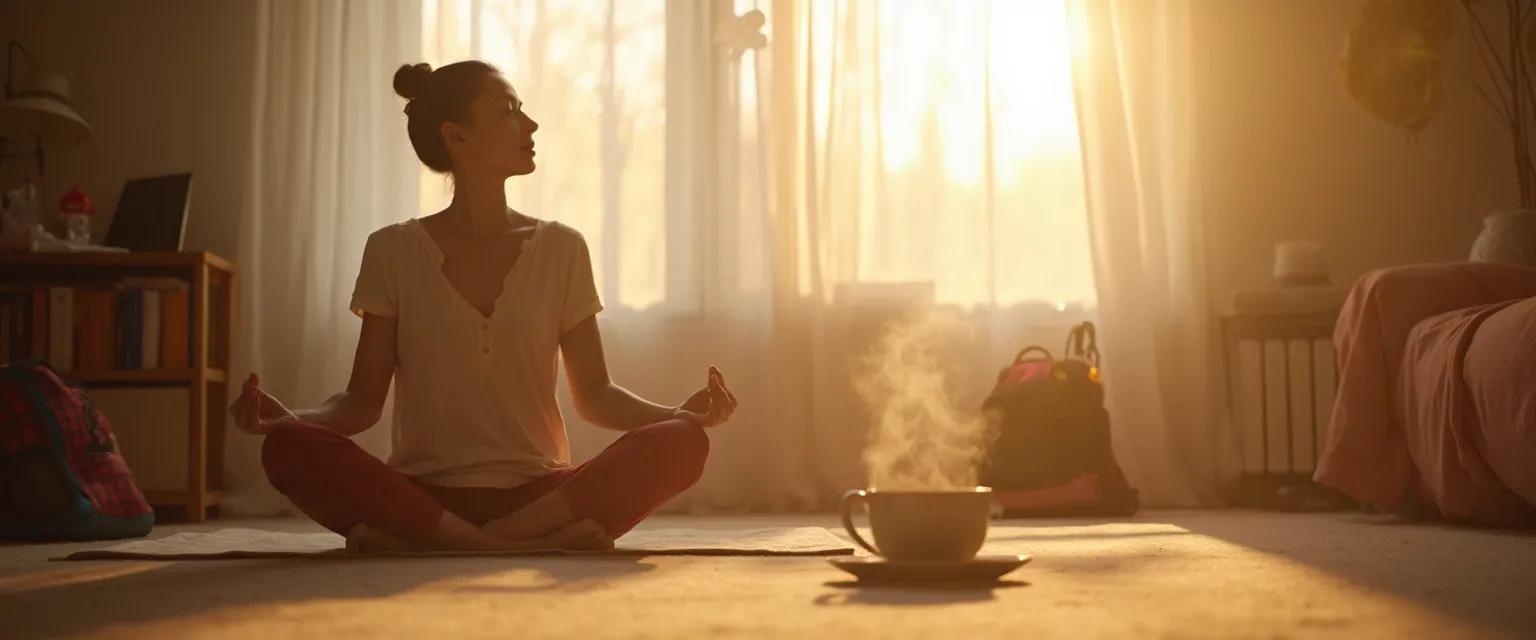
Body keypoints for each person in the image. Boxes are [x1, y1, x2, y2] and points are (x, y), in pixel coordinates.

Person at [228, 60, 738, 553]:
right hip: (421, 495)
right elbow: (361, 403)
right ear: (457, 136)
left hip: (543, 495)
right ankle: (517, 545)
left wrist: (678, 413)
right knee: (288, 448)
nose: (531, 123)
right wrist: (290, 419)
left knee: (683, 441)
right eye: (509, 110)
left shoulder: (564, 248)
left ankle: (441, 545)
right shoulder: (392, 250)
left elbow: (596, 395)